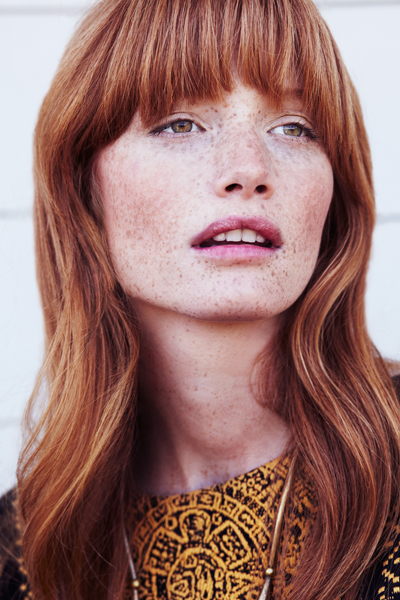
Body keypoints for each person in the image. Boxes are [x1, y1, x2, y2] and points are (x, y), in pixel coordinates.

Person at [1, 0, 400, 598]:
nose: (248, 169)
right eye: (180, 124)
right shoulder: (24, 550)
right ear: (85, 189)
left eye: (294, 127)